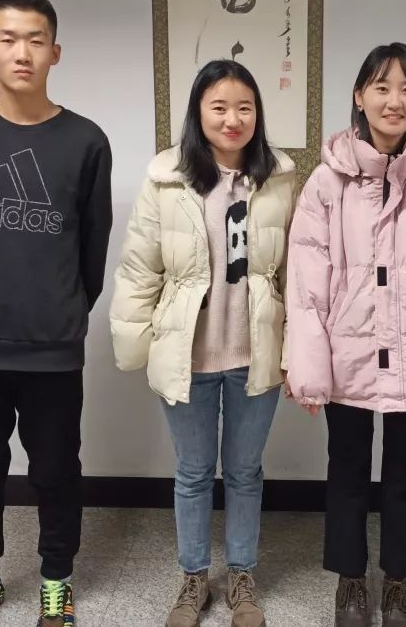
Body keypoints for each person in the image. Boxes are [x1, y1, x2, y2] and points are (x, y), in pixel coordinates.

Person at [286, 42, 406, 627]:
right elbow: (306, 283)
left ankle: (397, 580)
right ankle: (351, 579)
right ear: (359, 96)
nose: (394, 100)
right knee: (346, 471)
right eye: (381, 86)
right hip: (348, 352)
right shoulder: (327, 181)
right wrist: (309, 370)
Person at [0, 0, 113, 626]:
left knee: (56, 471)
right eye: (8, 39)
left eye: (36, 40)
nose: (22, 53)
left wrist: (62, 311)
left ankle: (56, 580)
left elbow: (92, 247)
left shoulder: (86, 141)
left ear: (55, 52)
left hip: (52, 348)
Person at [110, 59, 296, 627]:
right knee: (192, 472)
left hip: (256, 352)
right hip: (186, 353)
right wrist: (134, 340)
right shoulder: (167, 179)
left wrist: (300, 346)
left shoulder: (280, 180)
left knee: (244, 472)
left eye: (244, 107)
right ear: (198, 112)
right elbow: (140, 266)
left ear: (257, 114)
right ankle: (194, 577)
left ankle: (241, 575)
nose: (232, 119)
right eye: (219, 107)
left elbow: (298, 271)